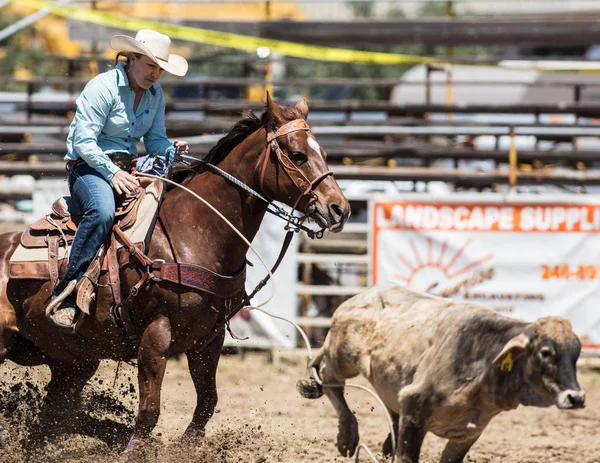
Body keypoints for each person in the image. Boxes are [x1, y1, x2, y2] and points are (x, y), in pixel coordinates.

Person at [46, 29, 189, 328]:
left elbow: (155, 140)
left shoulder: (155, 94)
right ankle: (66, 294)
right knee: (102, 211)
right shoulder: (102, 87)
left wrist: (170, 149)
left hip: (129, 170)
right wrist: (112, 173)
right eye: (151, 66)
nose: (156, 74)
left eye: (160, 68)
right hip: (89, 168)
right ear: (132, 58)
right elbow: (84, 143)